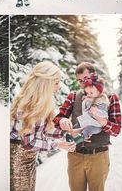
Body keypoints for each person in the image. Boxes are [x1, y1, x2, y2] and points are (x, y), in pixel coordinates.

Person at [53, 61, 122, 191]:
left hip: (98, 156)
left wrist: (101, 120)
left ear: (94, 76)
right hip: (75, 156)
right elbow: (56, 119)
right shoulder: (73, 97)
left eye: (85, 79)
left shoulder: (110, 98)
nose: (82, 83)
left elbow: (116, 130)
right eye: (79, 80)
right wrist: (62, 121)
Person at [10, 61, 76, 191]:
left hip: (28, 159)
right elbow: (29, 142)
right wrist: (57, 144)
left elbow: (43, 130)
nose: (58, 87)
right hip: (18, 161)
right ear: (45, 83)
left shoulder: (40, 102)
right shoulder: (29, 105)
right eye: (56, 83)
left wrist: (66, 131)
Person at [66, 72, 109, 144]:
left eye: (91, 93)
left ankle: (80, 137)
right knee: (77, 125)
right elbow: (86, 110)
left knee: (88, 129)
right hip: (87, 120)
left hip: (96, 125)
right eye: (87, 93)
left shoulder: (102, 101)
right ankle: (70, 136)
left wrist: (97, 112)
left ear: (99, 92)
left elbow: (104, 114)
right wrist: (86, 101)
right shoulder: (90, 98)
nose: (89, 95)